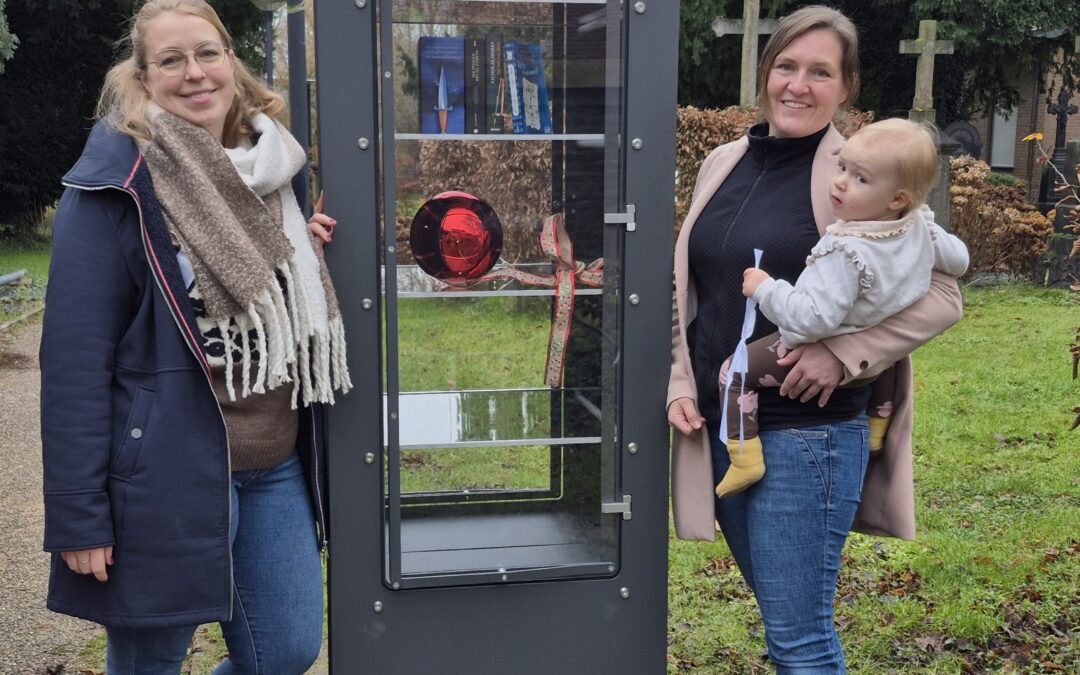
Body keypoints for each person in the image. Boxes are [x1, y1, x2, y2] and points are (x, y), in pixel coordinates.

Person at [39, 1, 348, 672]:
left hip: (275, 464)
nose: (195, 73)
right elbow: (73, 365)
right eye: (171, 60)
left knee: (286, 651)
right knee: (151, 660)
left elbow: (275, 296)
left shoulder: (277, 168)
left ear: (231, 62)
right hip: (162, 474)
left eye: (208, 53)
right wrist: (78, 516)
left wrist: (301, 254)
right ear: (144, 77)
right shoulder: (111, 188)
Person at [667, 6, 964, 672]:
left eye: (820, 71)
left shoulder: (864, 172)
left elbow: (946, 293)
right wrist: (681, 381)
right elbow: (690, 285)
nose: (798, 85)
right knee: (782, 625)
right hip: (725, 426)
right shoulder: (723, 161)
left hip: (807, 437)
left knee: (799, 636)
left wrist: (842, 352)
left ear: (846, 87)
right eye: (786, 66)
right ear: (766, 72)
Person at [715, 118, 969, 497]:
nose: (840, 181)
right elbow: (959, 262)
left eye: (860, 178)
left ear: (897, 198)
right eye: (843, 167)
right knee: (890, 360)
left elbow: (809, 322)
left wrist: (765, 288)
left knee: (734, 371)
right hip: (875, 362)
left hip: (818, 353)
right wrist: (930, 230)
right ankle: (878, 426)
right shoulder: (914, 227)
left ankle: (744, 455)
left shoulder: (847, 252)